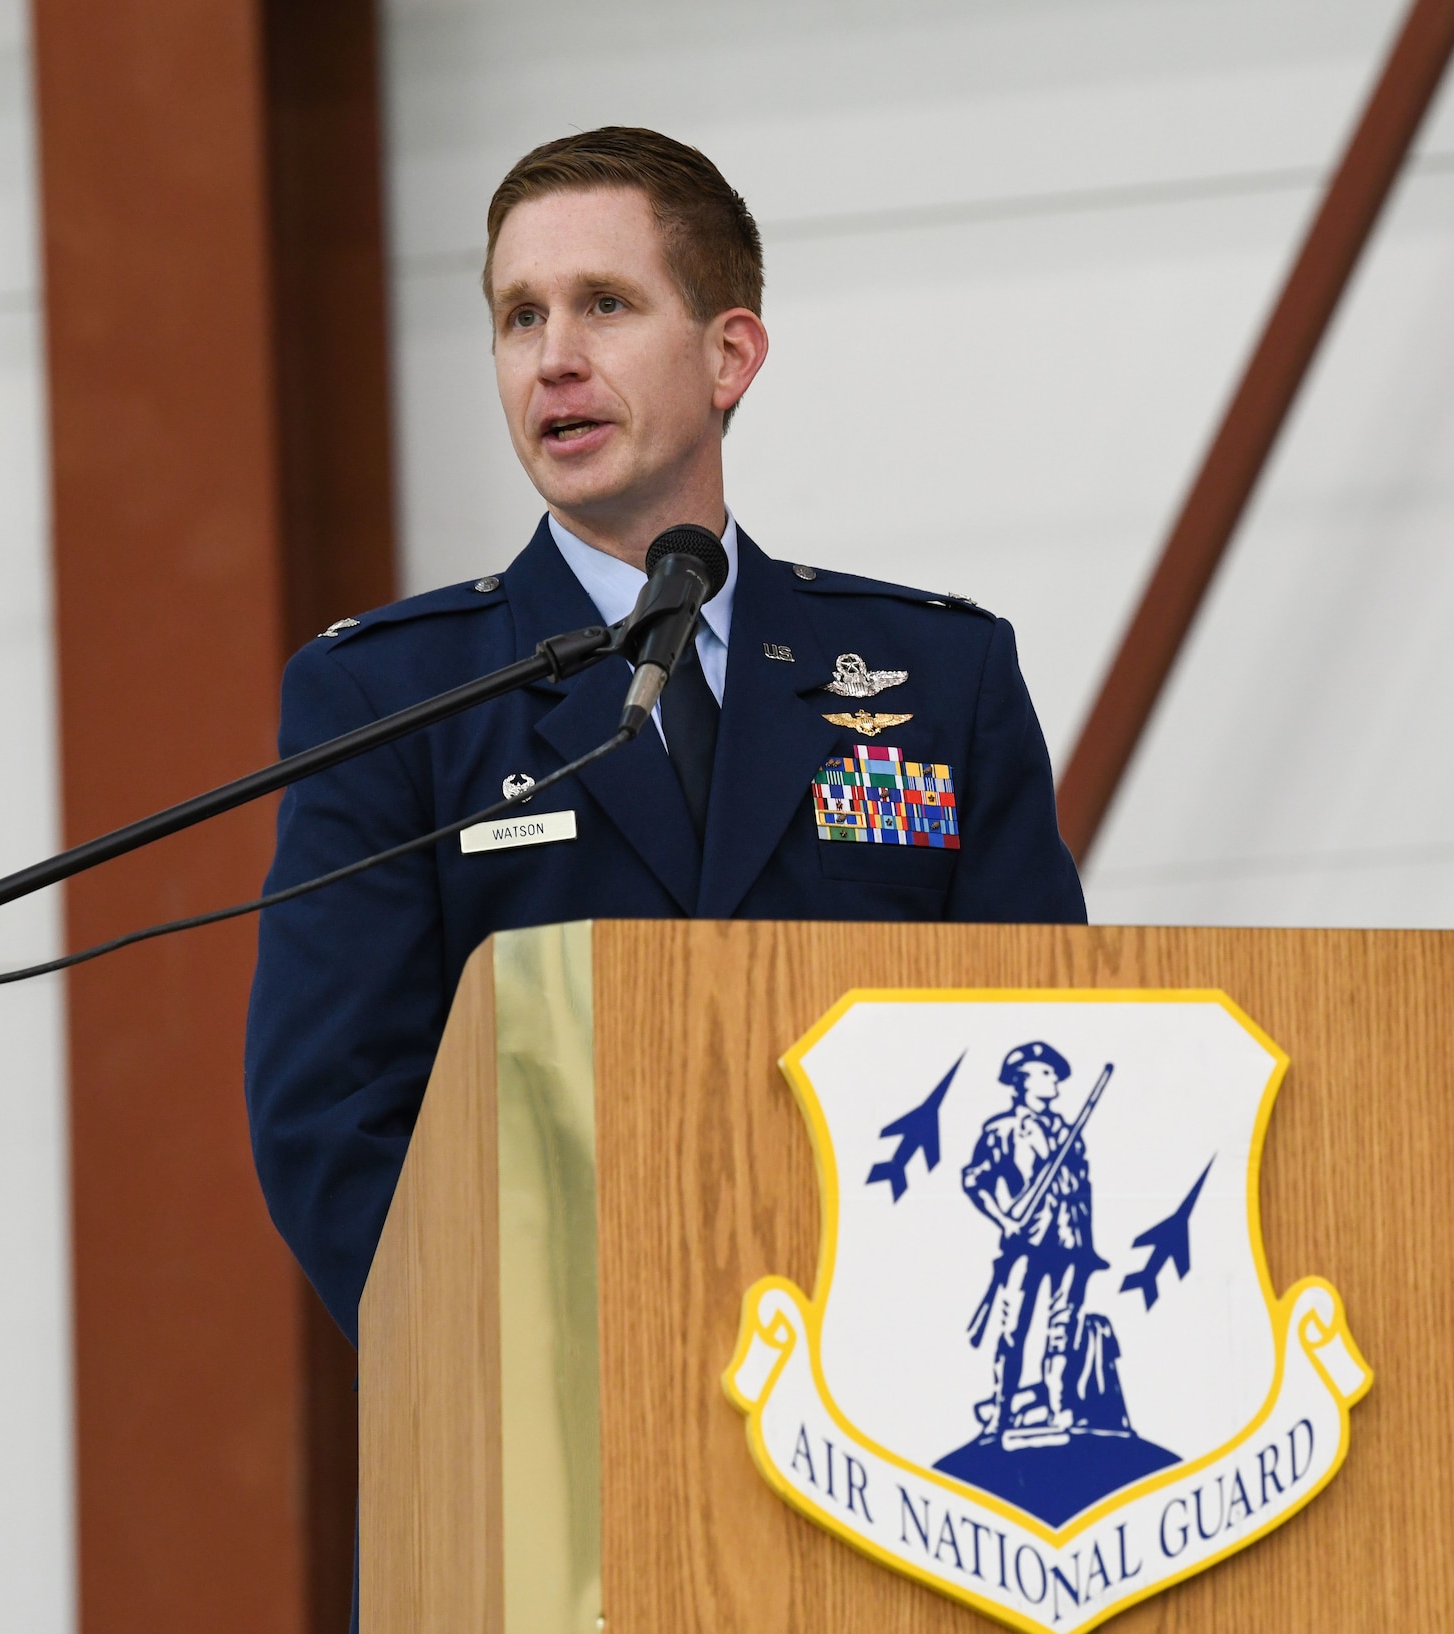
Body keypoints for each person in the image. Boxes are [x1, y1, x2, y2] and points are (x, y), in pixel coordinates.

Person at [246, 127, 1086, 1351]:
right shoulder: (391, 698)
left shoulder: (935, 675)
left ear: (728, 353)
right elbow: (332, 1118)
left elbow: (1039, 1033)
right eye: (517, 317)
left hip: (887, 1382)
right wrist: (526, 1357)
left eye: (602, 305)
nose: (553, 362)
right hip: (551, 1396)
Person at [961, 1042, 1107, 1443]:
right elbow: (975, 1181)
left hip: (1071, 1244)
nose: (1054, 1079)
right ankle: (1001, 1412)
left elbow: (1081, 1189)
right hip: (1028, 1243)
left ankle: (1062, 1409)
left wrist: (1086, 1243)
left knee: (1063, 1329)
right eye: (1045, 1073)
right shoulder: (1002, 1131)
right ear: (1022, 1081)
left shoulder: (1069, 1133)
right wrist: (1003, 1219)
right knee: (1014, 1330)